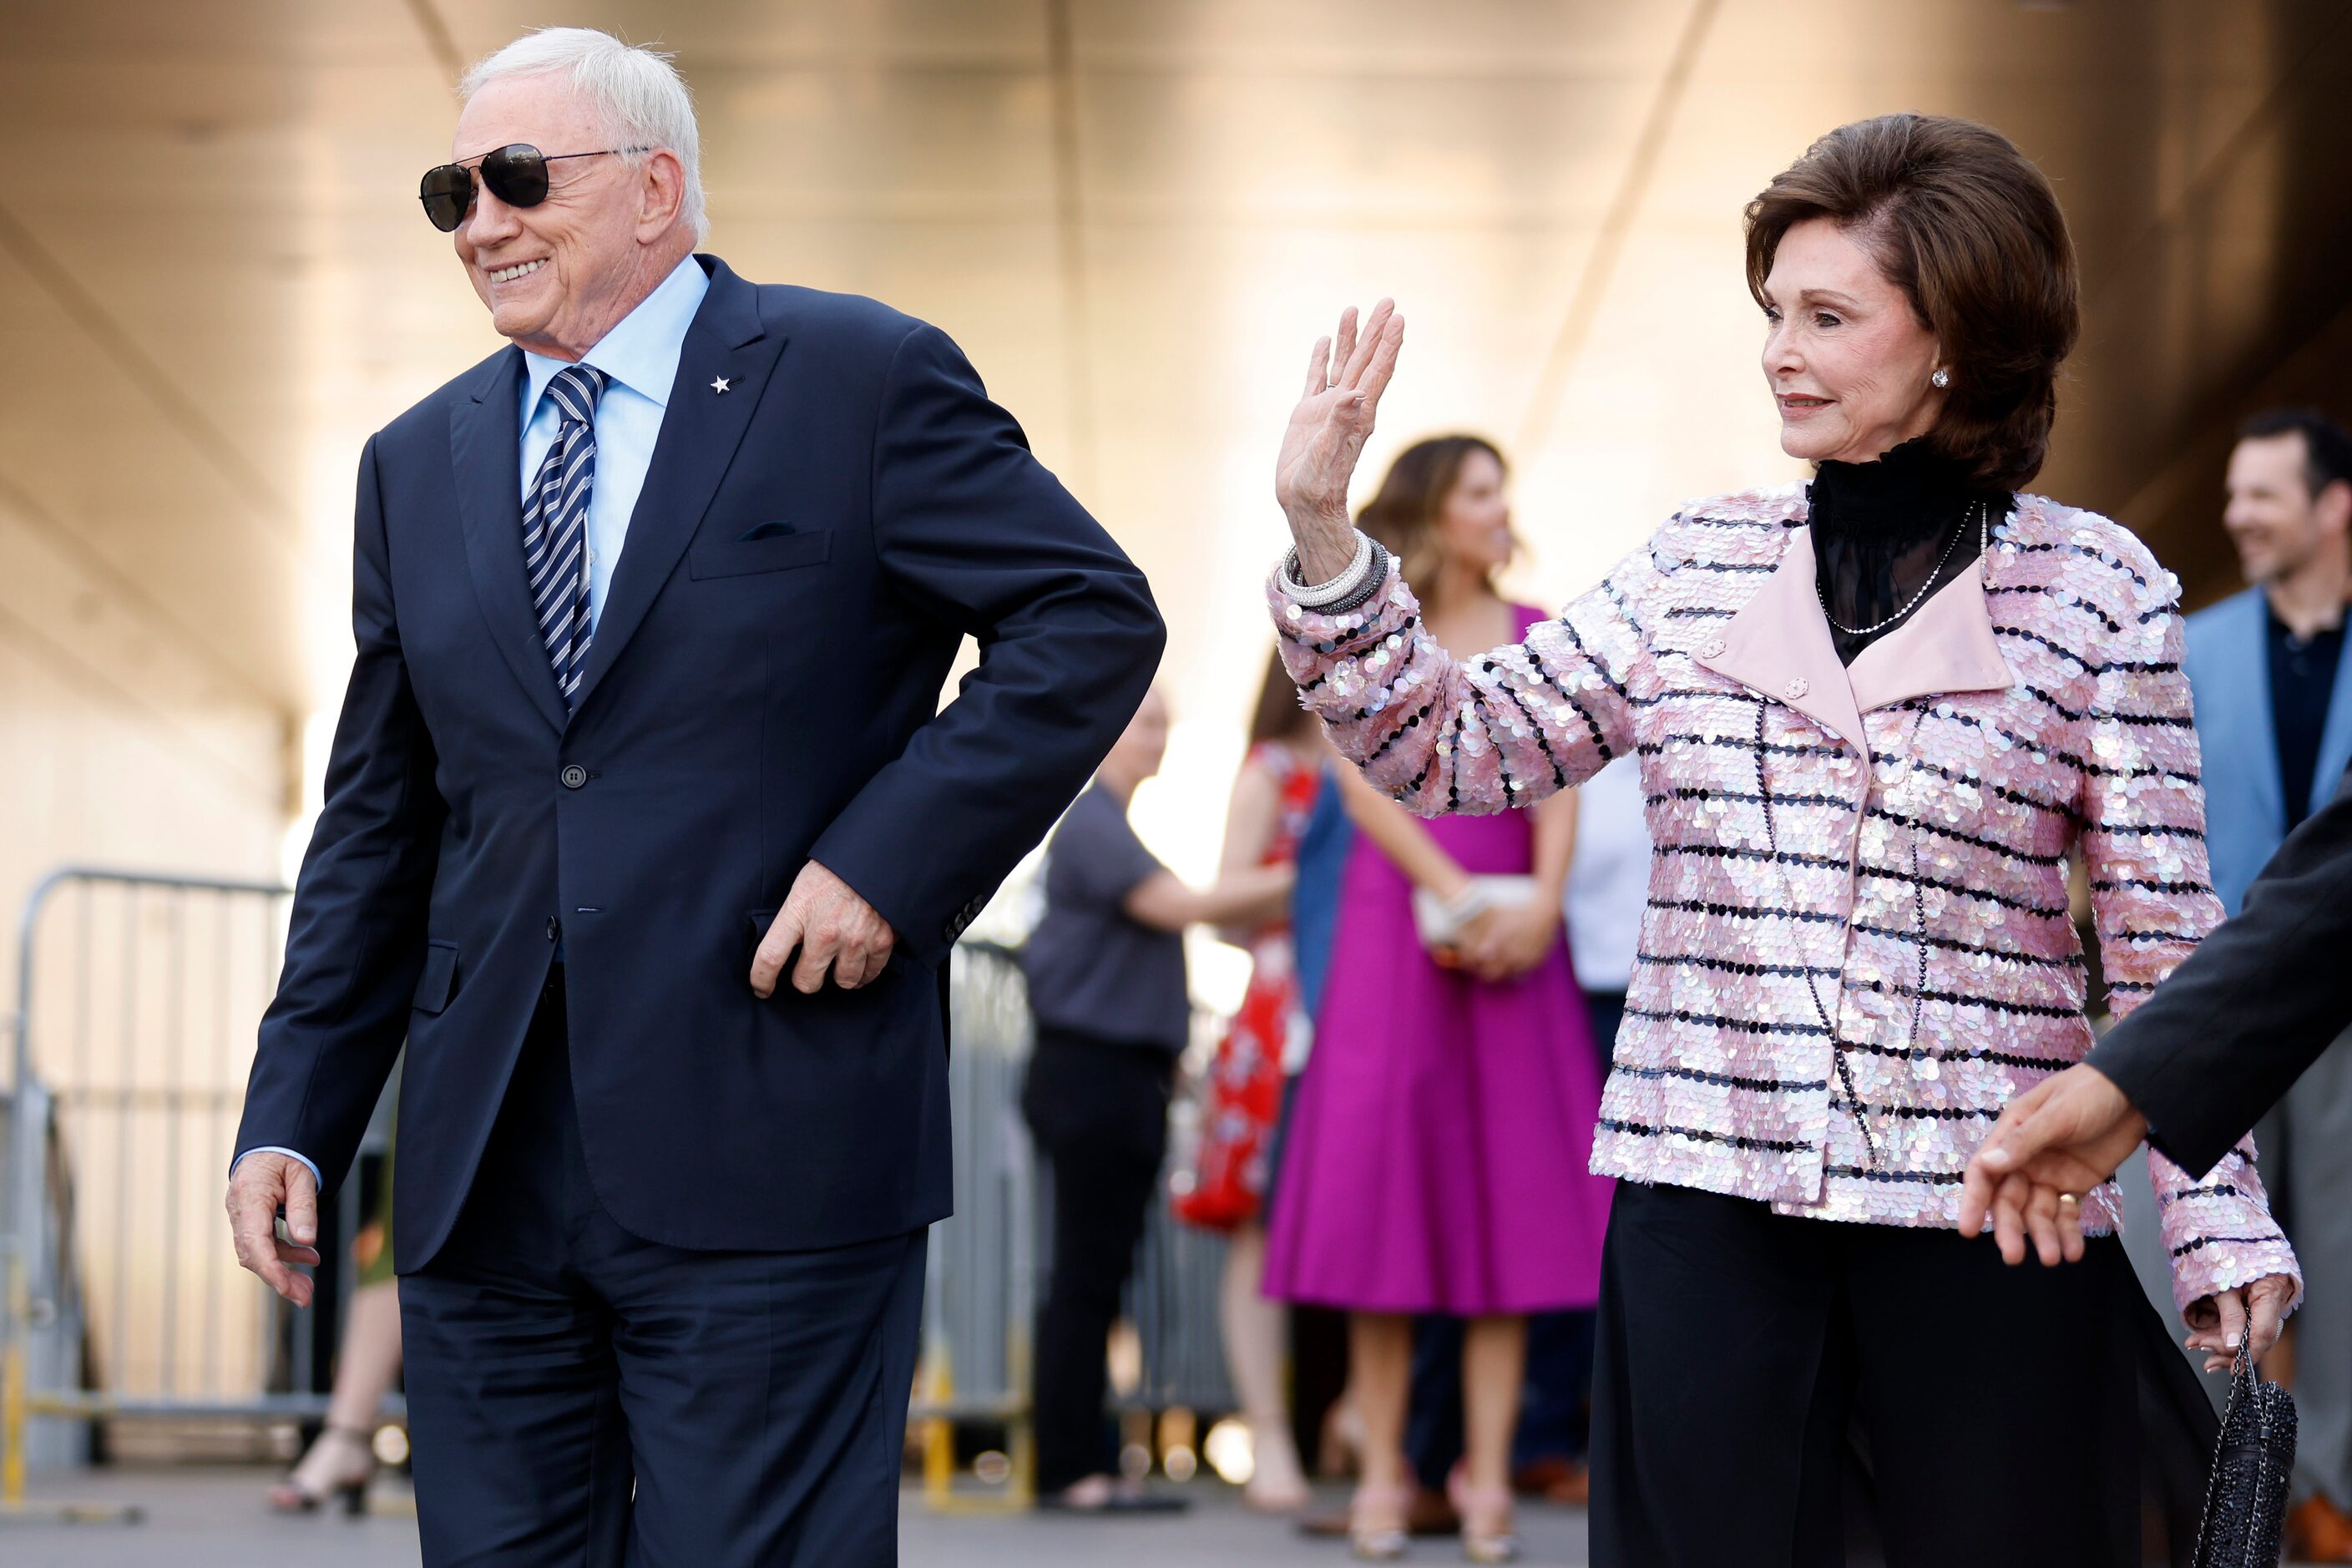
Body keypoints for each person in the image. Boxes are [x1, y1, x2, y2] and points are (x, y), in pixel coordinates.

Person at [1267, 114, 2300, 1566]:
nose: (1776, 350)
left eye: (1825, 315)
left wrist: (2216, 1219)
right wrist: (1325, 537)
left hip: (1988, 1209)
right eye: (1772, 313)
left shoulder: (2094, 589)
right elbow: (1452, 746)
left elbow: (2159, 936)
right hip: (1704, 1216)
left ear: (1953, 338)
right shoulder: (1697, 563)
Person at [222, 28, 1162, 1567]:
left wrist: (885, 862)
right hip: (484, 1166)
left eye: (519, 178)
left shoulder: (857, 376)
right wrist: (295, 1110)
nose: (480, 220)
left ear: (657, 190)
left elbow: (1087, 615)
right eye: (449, 189)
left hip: (770, 1125)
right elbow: (379, 820)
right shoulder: (413, 462)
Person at [1262, 433, 1615, 1563]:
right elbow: (1358, 783)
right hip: (1397, 930)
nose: (1499, 507)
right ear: (1431, 507)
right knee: (1383, 1205)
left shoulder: (1535, 630)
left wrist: (1541, 905)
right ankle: (1382, 1472)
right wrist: (1464, 898)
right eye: (1477, 490)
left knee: (1510, 1200)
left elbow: (1562, 778)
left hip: (1515, 932)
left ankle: (1490, 1479)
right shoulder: (1371, 628)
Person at [1019, 687, 1292, 1512]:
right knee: (1085, 1274)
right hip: (1091, 1076)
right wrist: (1304, 868)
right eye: (1144, 722)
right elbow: (1182, 908)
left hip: (1121, 1076)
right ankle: (1070, 1468)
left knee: (1099, 1273)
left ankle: (1087, 1459)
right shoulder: (1094, 827)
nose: (1160, 738)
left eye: (1165, 722)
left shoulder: (1112, 827)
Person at [2184, 406, 2352, 1556]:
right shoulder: (2189, 646)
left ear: (2332, 506)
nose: (2237, 515)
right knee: (2219, 1242)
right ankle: (2233, 1488)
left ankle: (2330, 1485)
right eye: (2232, 493)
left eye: (2262, 495)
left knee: (2343, 1237)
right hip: (2227, 989)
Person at [1173, 655, 1324, 1511]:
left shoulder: (1387, 756)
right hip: (1280, 1011)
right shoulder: (1271, 768)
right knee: (1260, 1227)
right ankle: (1270, 1430)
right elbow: (1223, 902)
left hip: (1367, 1006)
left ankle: (1349, 1420)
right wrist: (1323, 874)